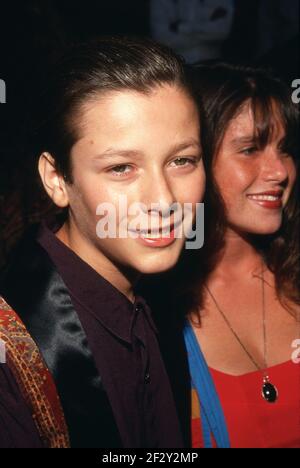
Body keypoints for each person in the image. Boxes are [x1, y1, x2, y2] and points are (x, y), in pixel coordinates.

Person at [0, 37, 206, 448]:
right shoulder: (14, 355)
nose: (164, 200)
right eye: (121, 168)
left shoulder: (160, 295)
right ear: (57, 180)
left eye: (181, 160)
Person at [146, 63, 300, 448]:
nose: (279, 170)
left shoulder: (294, 274)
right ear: (192, 160)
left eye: (285, 149)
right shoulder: (149, 307)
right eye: (249, 149)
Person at [150, 0, 234, 64]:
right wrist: (206, 31)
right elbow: (162, 39)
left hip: (213, 66)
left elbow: (221, 32)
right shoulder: (161, 2)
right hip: (178, 67)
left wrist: (181, 28)